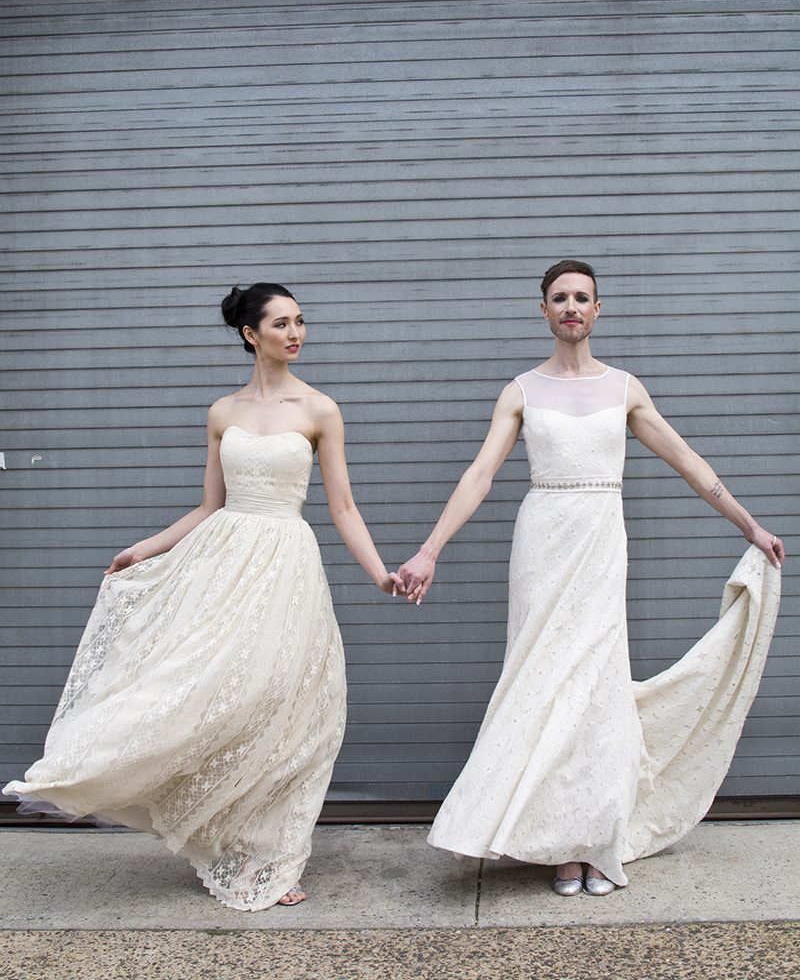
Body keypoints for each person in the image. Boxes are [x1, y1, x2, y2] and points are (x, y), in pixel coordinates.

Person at [3, 283, 403, 911]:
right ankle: (213, 831)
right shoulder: (223, 412)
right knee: (203, 692)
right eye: (281, 324)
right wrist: (145, 549)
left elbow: (343, 507)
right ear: (251, 334)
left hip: (286, 567)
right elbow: (209, 505)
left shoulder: (321, 410)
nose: (295, 334)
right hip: (222, 566)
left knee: (281, 704)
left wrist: (380, 573)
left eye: (300, 322)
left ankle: (274, 854)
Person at [398, 260, 783, 896]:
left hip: (602, 541)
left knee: (597, 683)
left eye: (582, 297)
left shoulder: (625, 388)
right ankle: (559, 845)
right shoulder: (520, 390)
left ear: (597, 310)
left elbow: (688, 461)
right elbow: (480, 476)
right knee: (544, 678)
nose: (571, 306)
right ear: (543, 311)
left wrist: (749, 525)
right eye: (559, 298)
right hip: (543, 540)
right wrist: (430, 550)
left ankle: (596, 839)